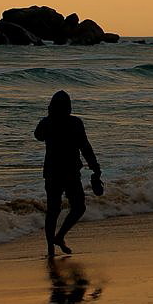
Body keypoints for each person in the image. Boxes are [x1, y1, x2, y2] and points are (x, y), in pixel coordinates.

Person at [34, 90, 102, 256]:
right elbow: (85, 147)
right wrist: (95, 166)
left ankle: (51, 247)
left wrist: (48, 119)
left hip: (52, 172)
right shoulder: (75, 123)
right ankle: (60, 236)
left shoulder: (47, 123)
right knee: (78, 207)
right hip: (70, 172)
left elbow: (38, 136)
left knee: (53, 210)